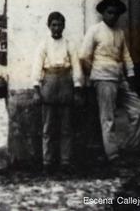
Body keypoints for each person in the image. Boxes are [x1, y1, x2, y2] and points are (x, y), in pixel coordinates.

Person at [79, 0, 140, 161]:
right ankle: (112, 153)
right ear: (103, 13)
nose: (113, 16)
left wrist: (131, 75)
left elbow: (126, 56)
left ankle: (131, 146)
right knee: (108, 116)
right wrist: (94, 73)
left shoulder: (120, 33)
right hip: (103, 77)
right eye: (109, 12)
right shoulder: (95, 30)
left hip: (119, 77)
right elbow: (84, 56)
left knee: (139, 109)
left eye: (116, 13)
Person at [31, 11, 84, 171]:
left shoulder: (69, 44)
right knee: (48, 126)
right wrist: (36, 89)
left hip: (65, 82)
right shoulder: (44, 44)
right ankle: (47, 161)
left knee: (66, 126)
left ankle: (65, 160)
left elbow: (76, 66)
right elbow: (37, 67)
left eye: (59, 25)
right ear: (48, 26)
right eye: (53, 25)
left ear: (64, 26)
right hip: (49, 81)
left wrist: (77, 88)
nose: (56, 28)